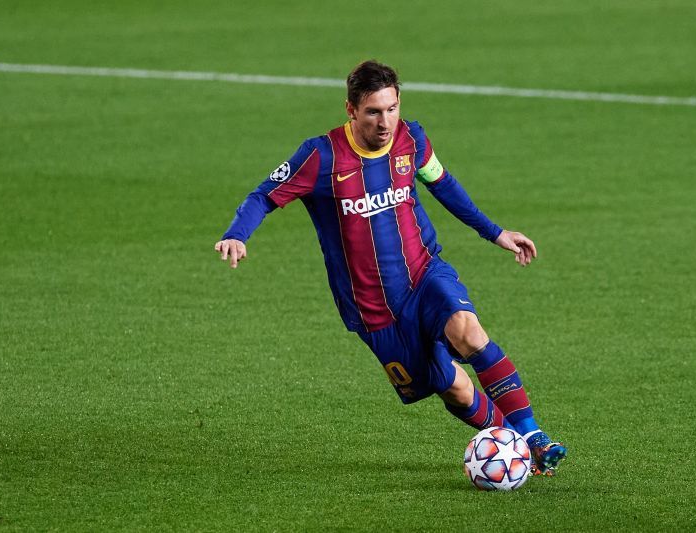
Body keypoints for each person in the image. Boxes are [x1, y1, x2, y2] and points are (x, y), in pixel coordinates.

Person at [214, 60, 566, 475]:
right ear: (351, 110)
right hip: (373, 309)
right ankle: (516, 446)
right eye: (373, 112)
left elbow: (443, 184)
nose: (386, 122)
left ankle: (532, 436)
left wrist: (494, 232)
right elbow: (264, 196)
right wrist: (238, 233)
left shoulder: (411, 138)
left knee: (468, 330)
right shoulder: (320, 156)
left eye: (392, 108)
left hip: (423, 273)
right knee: (452, 386)